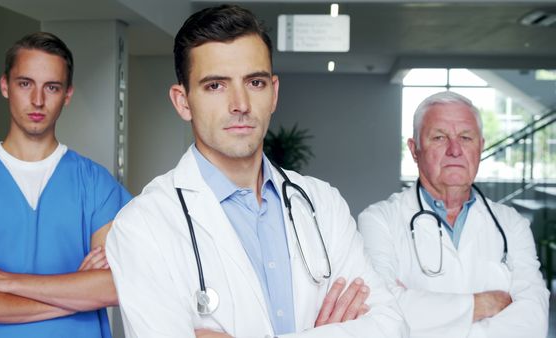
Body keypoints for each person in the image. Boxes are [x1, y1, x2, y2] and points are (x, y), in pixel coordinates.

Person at [106, 5, 407, 338]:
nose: (240, 104)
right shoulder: (143, 225)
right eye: (215, 86)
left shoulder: (322, 204)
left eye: (255, 82)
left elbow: (390, 327)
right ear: (183, 102)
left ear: (274, 93)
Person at [0, 32, 132, 338]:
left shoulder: (96, 185)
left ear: (67, 94)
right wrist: (75, 296)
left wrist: (7, 281)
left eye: (52, 87)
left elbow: (113, 287)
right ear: (5, 85)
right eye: (25, 83)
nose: (37, 100)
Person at [358, 91, 549, 337]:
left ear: (480, 146)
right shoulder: (379, 220)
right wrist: (485, 304)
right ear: (415, 149)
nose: (455, 150)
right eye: (439, 137)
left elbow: (534, 321)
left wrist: (422, 314)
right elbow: (380, 314)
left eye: (466, 137)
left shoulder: (511, 223)